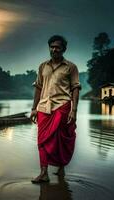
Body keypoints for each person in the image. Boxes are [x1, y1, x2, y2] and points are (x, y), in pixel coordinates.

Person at [30, 35, 81, 183]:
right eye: (51, 47)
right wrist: (34, 108)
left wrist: (74, 110)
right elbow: (38, 88)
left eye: (57, 47)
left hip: (62, 106)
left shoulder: (71, 67)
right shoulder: (42, 66)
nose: (54, 49)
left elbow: (75, 88)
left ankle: (61, 165)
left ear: (63, 49)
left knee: (60, 139)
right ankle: (44, 173)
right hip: (44, 107)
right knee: (42, 141)